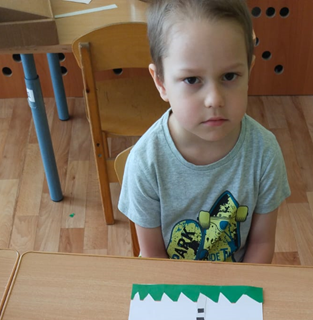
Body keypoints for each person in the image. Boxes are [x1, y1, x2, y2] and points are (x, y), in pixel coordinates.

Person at [118, 0, 290, 263]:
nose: (214, 99)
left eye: (229, 76)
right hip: (168, 280)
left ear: (249, 72)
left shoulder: (264, 152)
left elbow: (262, 243)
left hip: (238, 282)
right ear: (161, 83)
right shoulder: (145, 162)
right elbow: (153, 256)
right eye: (192, 80)